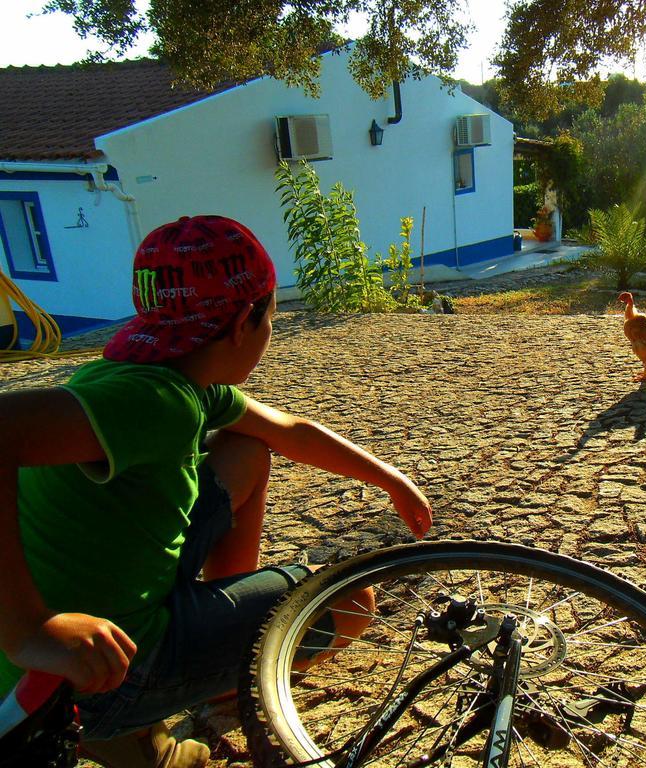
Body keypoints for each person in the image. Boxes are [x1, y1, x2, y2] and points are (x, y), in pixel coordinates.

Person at [0, 215, 432, 767]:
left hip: (119, 598)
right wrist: (27, 629)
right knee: (350, 601)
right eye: (272, 317)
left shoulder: (167, 378)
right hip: (98, 664)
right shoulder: (161, 404)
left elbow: (286, 430)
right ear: (241, 324)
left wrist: (388, 478)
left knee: (246, 447)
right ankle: (143, 725)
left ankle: (225, 650)